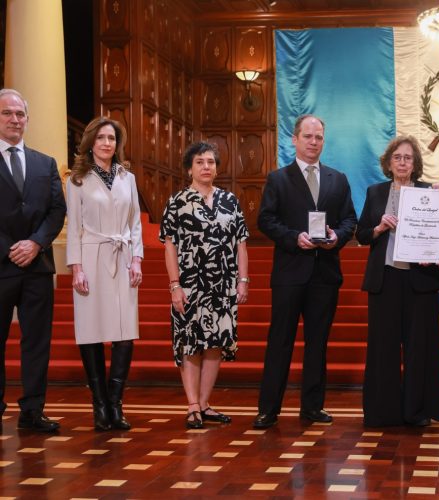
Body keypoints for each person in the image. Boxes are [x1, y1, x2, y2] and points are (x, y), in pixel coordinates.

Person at [253, 114, 357, 429]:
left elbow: (350, 221)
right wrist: (292, 237)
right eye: (308, 136)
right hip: (289, 272)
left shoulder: (338, 179)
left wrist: (337, 236)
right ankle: (268, 409)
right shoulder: (278, 179)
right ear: (294, 139)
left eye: (319, 137)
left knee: (317, 343)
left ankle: (312, 407)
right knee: (279, 341)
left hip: (324, 273)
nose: (314, 142)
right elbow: (265, 220)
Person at [355, 135, 439, 427]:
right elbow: (362, 234)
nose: (403, 162)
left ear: (415, 163)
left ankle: (416, 411)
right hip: (386, 279)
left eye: (408, 157)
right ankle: (384, 412)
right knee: (384, 347)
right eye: (398, 157)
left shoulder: (429, 192)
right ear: (389, 163)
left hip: (419, 280)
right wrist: (379, 227)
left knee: (420, 347)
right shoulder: (375, 192)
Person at [160, 141, 249, 429]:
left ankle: (206, 403)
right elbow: (170, 246)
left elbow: (241, 245)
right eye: (200, 162)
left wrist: (243, 281)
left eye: (210, 162)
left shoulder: (230, 201)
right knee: (190, 342)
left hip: (222, 285)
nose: (206, 166)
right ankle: (192, 405)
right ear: (190, 168)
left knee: (215, 345)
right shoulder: (177, 202)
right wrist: (174, 285)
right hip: (190, 284)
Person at [66, 117, 143, 431]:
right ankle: (99, 406)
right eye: (101, 138)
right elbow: (73, 228)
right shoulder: (77, 180)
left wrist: (136, 259)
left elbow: (135, 222)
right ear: (90, 143)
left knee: (125, 334)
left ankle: (115, 402)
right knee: (92, 330)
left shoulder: (128, 178)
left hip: (122, 256)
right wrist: (76, 269)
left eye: (111, 138)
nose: (107, 143)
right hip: (91, 256)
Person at [0, 88, 66, 432]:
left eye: (20, 114)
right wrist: (12, 247)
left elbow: (58, 210)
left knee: (37, 341)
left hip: (37, 267)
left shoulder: (45, 163)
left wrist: (36, 243)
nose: (15, 119)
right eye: (7, 113)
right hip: (1, 266)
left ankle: (33, 411)